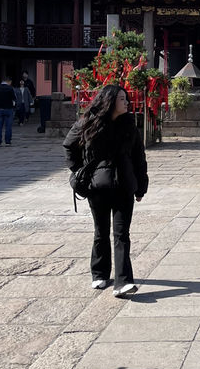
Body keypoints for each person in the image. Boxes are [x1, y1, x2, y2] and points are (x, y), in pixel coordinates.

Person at [63, 85, 148, 297]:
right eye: (122, 98)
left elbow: (139, 157)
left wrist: (141, 186)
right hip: (97, 187)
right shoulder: (88, 122)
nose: (126, 102)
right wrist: (80, 171)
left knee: (122, 235)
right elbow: (68, 146)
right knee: (101, 231)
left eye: (126, 98)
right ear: (109, 101)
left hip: (124, 186)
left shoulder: (130, 125)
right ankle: (99, 273)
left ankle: (123, 281)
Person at [0, 77, 16, 146]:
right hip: (8, 109)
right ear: (8, 81)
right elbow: (14, 98)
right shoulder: (10, 88)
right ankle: (8, 141)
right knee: (8, 126)